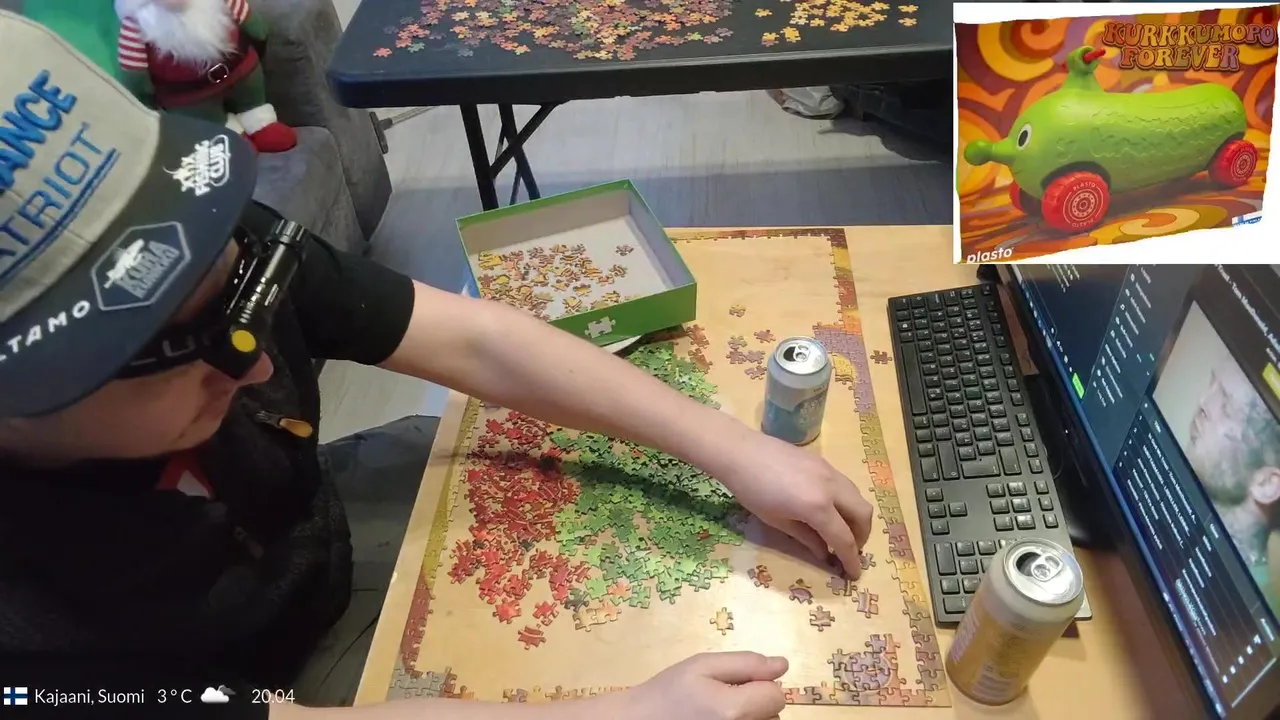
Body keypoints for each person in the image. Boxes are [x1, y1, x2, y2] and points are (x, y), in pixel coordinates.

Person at [0, 13, 874, 719]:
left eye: (241, 290)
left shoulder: (199, 253)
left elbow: (473, 339)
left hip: (307, 543)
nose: (260, 365)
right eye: (178, 348)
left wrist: (736, 448)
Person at [1183, 358, 1280, 613]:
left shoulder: (1249, 611)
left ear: (1266, 484)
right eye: (1211, 384)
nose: (1203, 402)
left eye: (1228, 408)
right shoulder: (1182, 522)